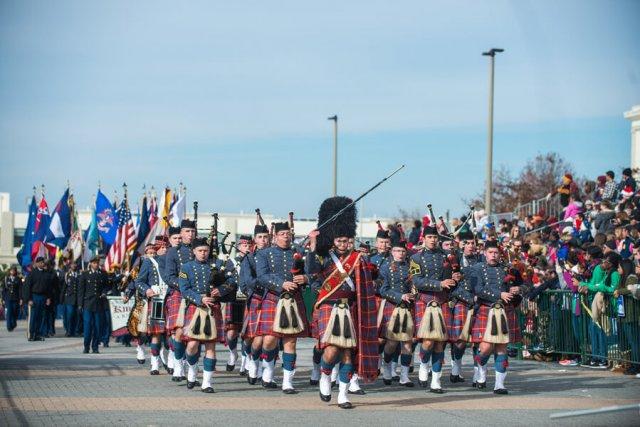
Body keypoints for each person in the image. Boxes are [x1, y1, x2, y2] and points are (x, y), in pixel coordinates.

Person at [306, 196, 378, 408]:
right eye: (339, 240)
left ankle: (343, 395)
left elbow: (367, 282)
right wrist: (312, 244)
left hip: (351, 308)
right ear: (333, 240)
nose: (344, 244)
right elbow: (310, 271)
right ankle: (325, 375)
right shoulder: (324, 257)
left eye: (347, 241)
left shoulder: (358, 259)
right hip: (329, 305)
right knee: (332, 349)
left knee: (348, 352)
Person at [255, 221, 310, 393]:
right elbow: (262, 277)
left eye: (288, 233)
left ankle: (287, 382)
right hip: (273, 298)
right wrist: (281, 284)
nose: (286, 236)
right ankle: (268, 371)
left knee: (290, 341)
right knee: (270, 340)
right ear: (275, 236)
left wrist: (305, 278)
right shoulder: (265, 254)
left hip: (294, 300)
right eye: (282, 234)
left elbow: (311, 272)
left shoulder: (299, 252)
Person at [179, 238, 235, 393]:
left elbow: (232, 280)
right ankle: (192, 369)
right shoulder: (186, 267)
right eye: (200, 251)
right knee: (192, 346)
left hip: (213, 308)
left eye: (205, 251)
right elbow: (184, 289)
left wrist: (222, 289)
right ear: (194, 251)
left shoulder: (217, 264)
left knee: (211, 346)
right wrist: (200, 298)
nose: (203, 254)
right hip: (195, 307)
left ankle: (207, 383)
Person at [409, 226, 456, 393]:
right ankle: (423, 364)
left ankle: (436, 381)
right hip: (425, 301)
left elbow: (449, 280)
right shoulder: (415, 258)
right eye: (429, 237)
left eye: (435, 237)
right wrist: (439, 284)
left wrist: (454, 279)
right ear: (424, 239)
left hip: (442, 301)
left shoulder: (446, 257)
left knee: (440, 344)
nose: (433, 240)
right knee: (428, 341)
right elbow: (417, 281)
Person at [468, 241, 518, 394]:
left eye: (496, 253)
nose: (493, 255)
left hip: (504, 310)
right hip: (485, 309)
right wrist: (499, 294)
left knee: (502, 348)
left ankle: (499, 385)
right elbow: (478, 289)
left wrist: (518, 288)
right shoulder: (477, 268)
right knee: (485, 348)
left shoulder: (506, 268)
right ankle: (481, 371)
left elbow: (524, 284)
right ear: (485, 253)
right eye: (490, 252)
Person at [378, 240, 415, 387]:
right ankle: (387, 367)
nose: (400, 254)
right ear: (392, 252)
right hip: (392, 306)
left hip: (408, 307)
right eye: (397, 251)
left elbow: (416, 283)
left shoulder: (412, 267)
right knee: (392, 342)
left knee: (407, 343)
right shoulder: (385, 268)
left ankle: (404, 376)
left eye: (403, 252)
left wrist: (414, 292)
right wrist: (400, 296)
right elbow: (383, 290)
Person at [574, 251, 621, 368]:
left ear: (612, 263)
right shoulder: (607, 272)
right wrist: (585, 284)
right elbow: (597, 285)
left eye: (606, 261)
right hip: (599, 305)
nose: (603, 263)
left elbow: (612, 289)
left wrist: (593, 286)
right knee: (594, 330)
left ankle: (602, 358)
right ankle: (596, 357)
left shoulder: (614, 274)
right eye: (604, 260)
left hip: (607, 306)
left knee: (601, 331)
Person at [239, 221, 271, 384]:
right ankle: (253, 363)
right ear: (255, 240)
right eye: (260, 237)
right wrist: (265, 284)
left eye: (266, 237)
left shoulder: (274, 256)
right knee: (254, 338)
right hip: (257, 298)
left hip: (273, 299)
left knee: (271, 338)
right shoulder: (249, 258)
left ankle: (267, 373)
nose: (263, 240)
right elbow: (246, 282)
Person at [164, 221, 195, 382]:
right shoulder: (173, 252)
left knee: (195, 334)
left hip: (197, 296)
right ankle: (178, 364)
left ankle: (191, 367)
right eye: (187, 231)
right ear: (181, 233)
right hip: (178, 294)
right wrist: (185, 286)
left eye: (192, 231)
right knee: (178, 331)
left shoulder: (200, 250)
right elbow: (169, 277)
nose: (190, 234)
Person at [135, 242, 168, 375]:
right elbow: (138, 282)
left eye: (166, 247)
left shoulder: (171, 261)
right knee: (154, 332)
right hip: (153, 300)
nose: (165, 250)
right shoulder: (148, 263)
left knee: (169, 335)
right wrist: (147, 290)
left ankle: (168, 359)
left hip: (170, 299)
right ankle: (154, 363)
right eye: (162, 248)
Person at [78, 256, 109, 354]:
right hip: (87, 304)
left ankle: (95, 347)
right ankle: (86, 346)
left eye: (97, 263)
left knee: (97, 326)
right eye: (94, 263)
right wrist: (80, 305)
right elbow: (81, 291)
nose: (96, 265)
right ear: (90, 263)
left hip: (98, 304)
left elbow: (106, 286)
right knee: (87, 326)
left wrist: (104, 292)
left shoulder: (103, 274)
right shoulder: (85, 274)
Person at [24, 257, 55, 341]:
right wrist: (29, 299)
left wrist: (48, 298)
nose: (42, 264)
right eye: (41, 262)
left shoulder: (46, 274)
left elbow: (49, 287)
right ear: (37, 263)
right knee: (33, 317)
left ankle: (38, 334)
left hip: (43, 297)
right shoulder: (32, 273)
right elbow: (27, 287)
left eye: (43, 262)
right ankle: (31, 334)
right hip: (34, 297)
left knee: (41, 317)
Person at [60, 262, 81, 337]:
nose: (74, 265)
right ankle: (68, 330)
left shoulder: (79, 275)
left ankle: (75, 331)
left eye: (75, 264)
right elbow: (64, 287)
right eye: (73, 264)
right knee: (69, 315)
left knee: (76, 315)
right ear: (70, 266)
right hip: (69, 298)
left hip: (77, 298)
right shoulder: (67, 275)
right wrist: (61, 299)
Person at [2, 266, 22, 332]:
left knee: (15, 312)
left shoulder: (18, 279)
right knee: (9, 313)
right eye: (11, 270)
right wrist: (3, 299)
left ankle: (13, 323)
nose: (12, 272)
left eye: (14, 270)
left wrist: (21, 298)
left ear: (15, 271)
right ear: (9, 271)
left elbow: (20, 290)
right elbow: (4, 290)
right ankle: (9, 326)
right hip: (8, 298)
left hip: (16, 298)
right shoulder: (6, 279)